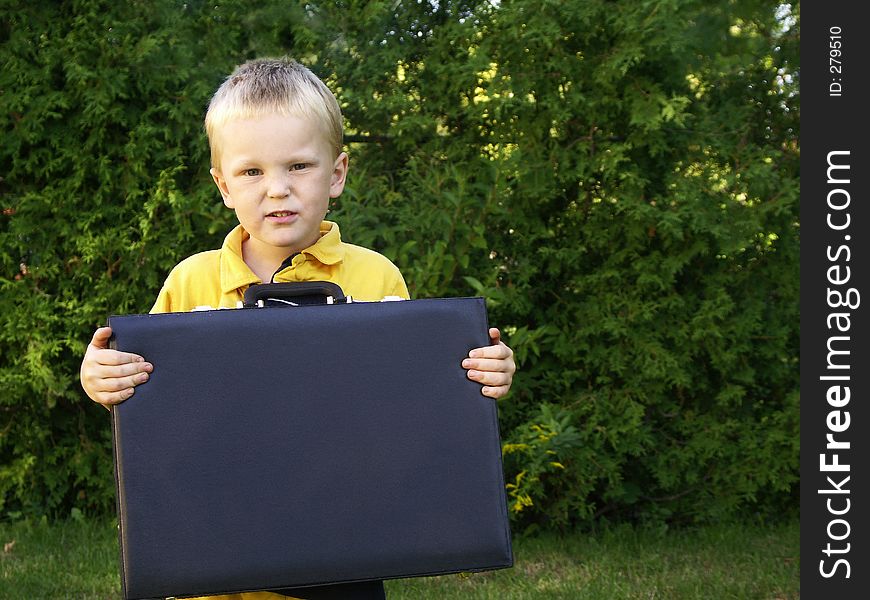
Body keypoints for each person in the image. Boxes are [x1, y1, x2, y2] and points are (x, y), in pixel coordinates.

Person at [79, 58, 516, 600]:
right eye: (252, 172)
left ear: (336, 174)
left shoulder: (374, 276)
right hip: (213, 555)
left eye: (299, 167)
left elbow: (413, 401)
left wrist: (482, 372)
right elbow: (151, 400)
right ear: (223, 185)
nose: (278, 190)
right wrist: (102, 378)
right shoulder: (190, 282)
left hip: (343, 548)